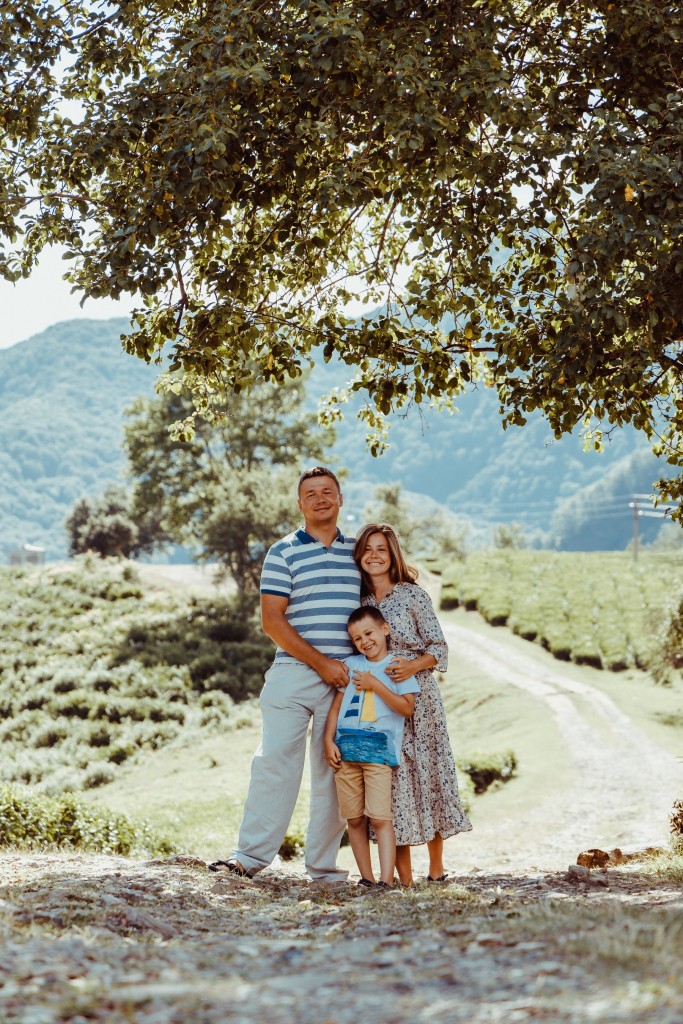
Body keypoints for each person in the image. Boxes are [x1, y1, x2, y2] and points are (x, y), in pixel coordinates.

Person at [209, 467, 361, 883]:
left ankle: (324, 870)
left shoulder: (357, 553)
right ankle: (248, 858)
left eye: (327, 492)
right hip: (294, 671)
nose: (320, 499)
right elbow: (272, 621)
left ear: (340, 499)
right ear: (300, 504)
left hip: (345, 679)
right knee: (274, 762)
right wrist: (321, 663)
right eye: (311, 494)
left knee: (335, 771)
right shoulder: (282, 552)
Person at [353, 523, 472, 886]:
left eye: (381, 549)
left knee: (428, 774)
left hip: (419, 698)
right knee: (392, 782)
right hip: (377, 699)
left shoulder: (412, 595)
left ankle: (436, 869)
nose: (374, 555)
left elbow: (439, 648)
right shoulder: (360, 600)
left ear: (392, 555)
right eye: (367, 549)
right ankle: (404, 878)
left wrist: (411, 666)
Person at [324, 606, 419, 890]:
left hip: (378, 754)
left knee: (379, 818)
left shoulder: (398, 667)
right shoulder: (351, 665)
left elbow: (407, 708)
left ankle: (386, 880)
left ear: (385, 629)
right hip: (346, 753)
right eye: (357, 638)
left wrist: (375, 683)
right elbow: (336, 707)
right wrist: (328, 740)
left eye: (369, 633)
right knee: (354, 819)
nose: (364, 641)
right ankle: (366, 878)